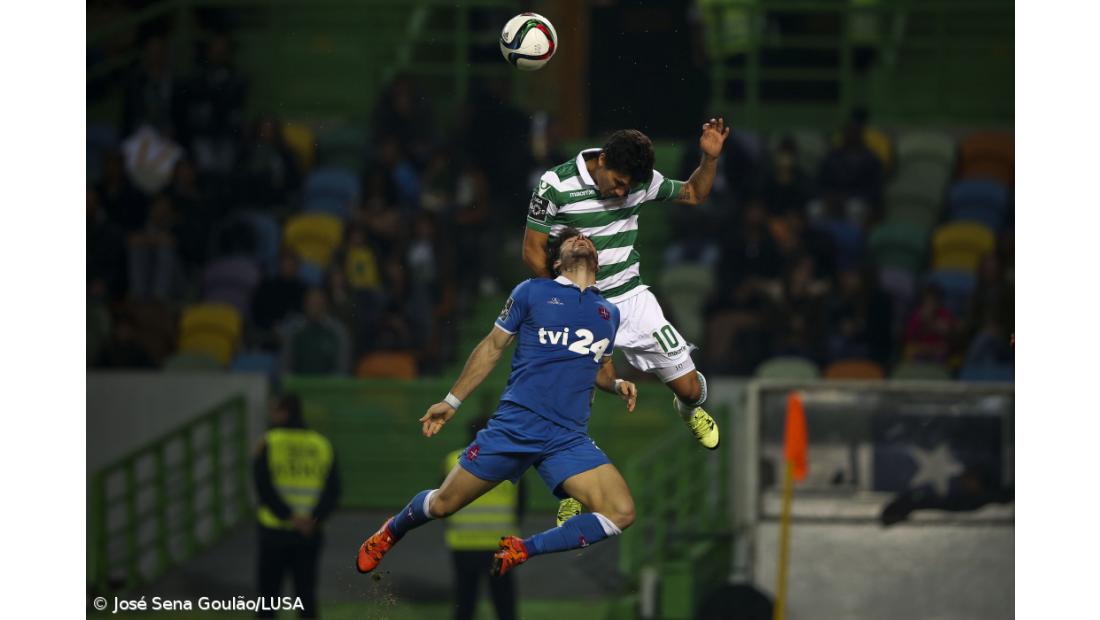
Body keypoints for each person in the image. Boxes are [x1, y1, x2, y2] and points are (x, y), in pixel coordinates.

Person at [356, 228, 638, 578]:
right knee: (443, 504)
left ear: (596, 259)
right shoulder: (532, 292)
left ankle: (522, 548)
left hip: (566, 438)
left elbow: (600, 368)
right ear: (555, 261)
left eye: (586, 239)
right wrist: (451, 401)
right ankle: (391, 530)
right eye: (570, 240)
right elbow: (492, 348)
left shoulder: (608, 313)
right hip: (515, 427)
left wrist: (618, 382)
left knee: (621, 512)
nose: (580, 239)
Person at [520, 122, 729, 522]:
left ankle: (688, 412)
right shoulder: (554, 184)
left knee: (690, 388)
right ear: (601, 161)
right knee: (567, 407)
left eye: (627, 187)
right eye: (617, 183)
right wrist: (566, 301)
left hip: (632, 300)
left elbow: (695, 192)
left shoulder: (640, 182)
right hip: (580, 303)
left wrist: (710, 158)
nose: (621, 192)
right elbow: (531, 251)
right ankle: (571, 494)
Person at [253, 394, 341, 619]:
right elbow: (333, 490)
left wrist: (288, 516)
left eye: (274, 410)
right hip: (309, 532)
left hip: (274, 530)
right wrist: (313, 519)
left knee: (267, 597)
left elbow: (262, 486)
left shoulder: (269, 441)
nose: (271, 415)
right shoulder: (321, 444)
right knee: (306, 596)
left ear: (284, 412)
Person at [443, 414, 525, 620]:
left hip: (463, 544)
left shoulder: (453, 461)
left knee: (465, 601)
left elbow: (441, 502)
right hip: (502, 545)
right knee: (505, 604)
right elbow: (521, 503)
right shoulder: (512, 461)